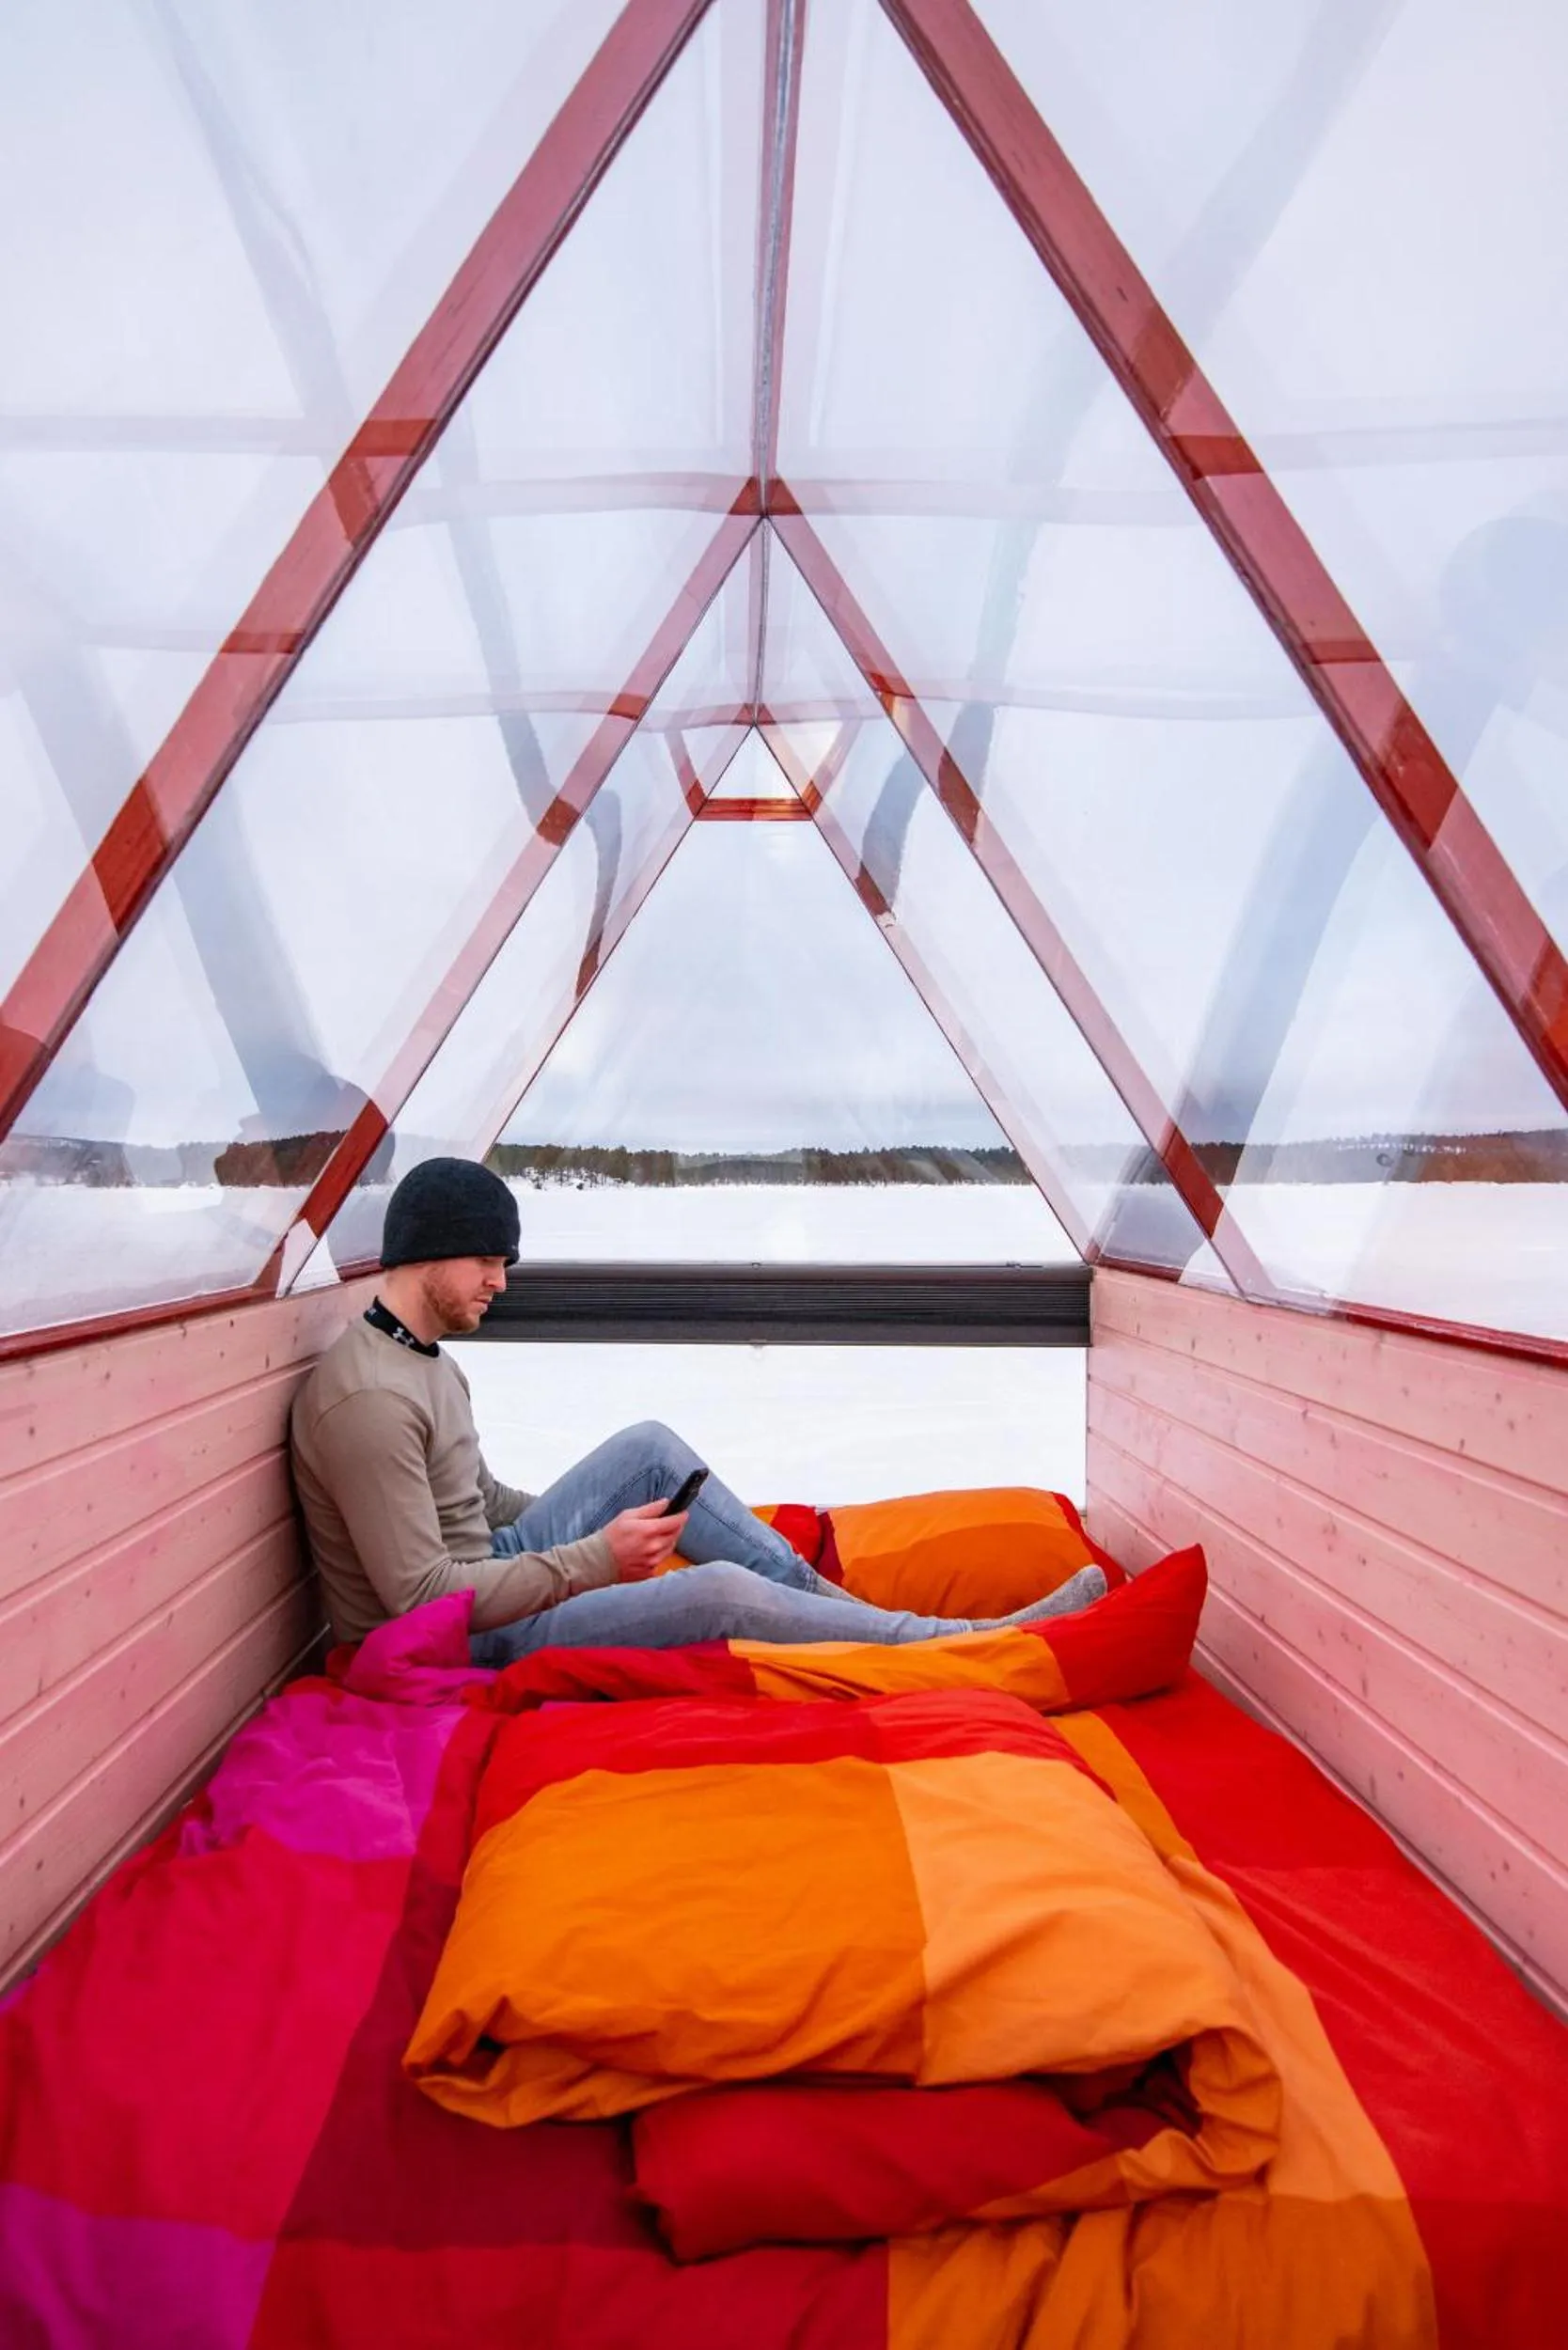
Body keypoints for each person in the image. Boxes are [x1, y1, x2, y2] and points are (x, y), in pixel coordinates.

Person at [290, 1158, 1105, 1664]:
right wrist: (593, 1562)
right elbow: (420, 1599)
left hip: (485, 1572)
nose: (501, 1284)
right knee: (717, 1593)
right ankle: (963, 1648)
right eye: (487, 1261)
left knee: (650, 1449)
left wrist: (589, 1531)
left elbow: (482, 1504)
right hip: (454, 1643)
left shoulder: (423, 1359)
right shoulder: (367, 1401)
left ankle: (845, 1612)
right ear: (430, 1249)